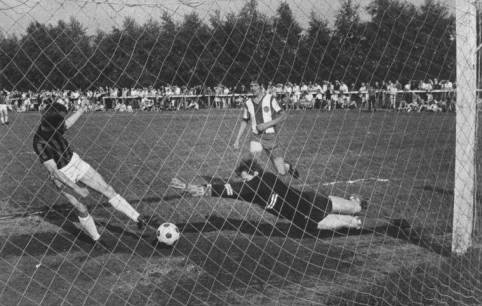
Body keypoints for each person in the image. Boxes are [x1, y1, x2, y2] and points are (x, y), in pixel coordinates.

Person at [32, 100, 150, 248]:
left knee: (107, 189)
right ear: (53, 122)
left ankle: (138, 218)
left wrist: (82, 109)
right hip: (61, 175)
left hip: (76, 163)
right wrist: (77, 188)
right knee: (81, 207)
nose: (63, 123)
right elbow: (54, 172)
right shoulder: (39, 142)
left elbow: (67, 124)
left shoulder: (53, 125)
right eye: (61, 120)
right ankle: (96, 239)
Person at [170, 159, 365, 233]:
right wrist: (193, 187)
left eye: (244, 178)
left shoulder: (254, 186)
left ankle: (355, 213)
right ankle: (356, 212)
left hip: (307, 213)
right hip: (310, 206)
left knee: (351, 217)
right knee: (352, 215)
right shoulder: (261, 182)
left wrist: (191, 187)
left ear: (253, 173)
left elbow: (224, 189)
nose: (243, 182)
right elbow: (224, 189)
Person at [233, 80, 299, 178]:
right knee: (254, 159)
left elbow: (283, 115)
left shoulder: (270, 99)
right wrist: (237, 139)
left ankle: (287, 166)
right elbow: (244, 121)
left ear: (261, 86)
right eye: (251, 86)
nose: (253, 88)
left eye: (255, 85)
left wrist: (266, 125)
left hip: (271, 137)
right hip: (256, 136)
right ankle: (253, 178)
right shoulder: (248, 103)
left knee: (281, 172)